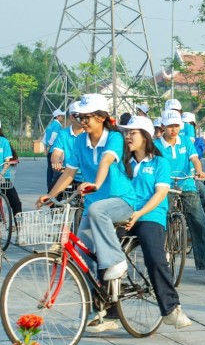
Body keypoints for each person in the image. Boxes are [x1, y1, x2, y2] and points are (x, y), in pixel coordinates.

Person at [39, 94, 137, 307]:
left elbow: (106, 159)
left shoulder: (114, 138)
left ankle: (117, 260)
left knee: (97, 211)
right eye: (79, 117)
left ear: (102, 117)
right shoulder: (80, 141)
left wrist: (97, 184)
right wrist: (51, 195)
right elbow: (69, 173)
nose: (82, 122)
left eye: (87, 117)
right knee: (82, 255)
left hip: (121, 200)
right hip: (95, 205)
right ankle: (98, 306)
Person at [118, 115, 193, 330]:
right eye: (126, 133)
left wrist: (140, 213)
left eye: (132, 133)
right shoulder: (123, 163)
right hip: (125, 214)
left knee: (155, 257)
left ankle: (170, 308)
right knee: (105, 255)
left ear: (145, 136)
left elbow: (161, 193)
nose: (128, 136)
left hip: (150, 215)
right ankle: (108, 308)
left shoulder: (160, 163)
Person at [155, 110, 205, 284]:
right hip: (164, 188)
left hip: (187, 185)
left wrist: (199, 171)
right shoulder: (155, 145)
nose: (173, 130)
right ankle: (161, 260)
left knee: (200, 223)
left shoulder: (185, 141)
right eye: (170, 126)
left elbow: (195, 159)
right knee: (160, 222)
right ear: (163, 127)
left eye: (176, 126)